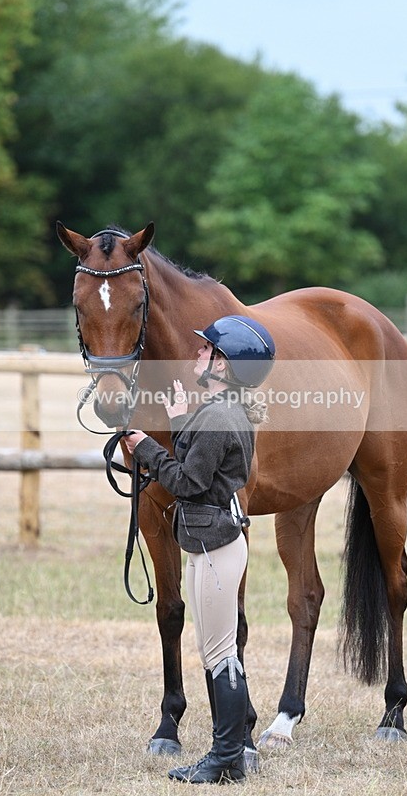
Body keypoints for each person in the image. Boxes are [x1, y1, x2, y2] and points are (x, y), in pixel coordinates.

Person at [123, 314, 275, 785]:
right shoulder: (221, 410)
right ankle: (226, 752)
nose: (198, 354)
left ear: (224, 366)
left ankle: (225, 756)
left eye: (207, 350)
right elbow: (199, 458)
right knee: (218, 651)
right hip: (212, 545)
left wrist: (146, 446)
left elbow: (188, 481)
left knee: (218, 652)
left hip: (213, 549)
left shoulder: (219, 415)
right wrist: (175, 420)